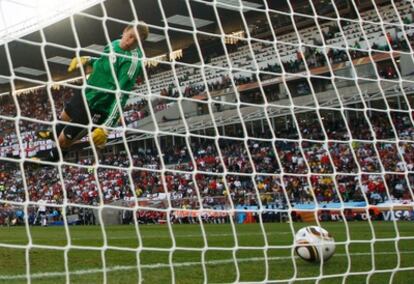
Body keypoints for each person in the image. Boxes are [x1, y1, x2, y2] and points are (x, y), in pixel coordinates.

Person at [36, 22, 149, 162]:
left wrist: (106, 128)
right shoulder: (114, 44)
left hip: (98, 106)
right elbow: (103, 62)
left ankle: (48, 162)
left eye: (136, 41)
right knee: (64, 116)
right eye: (130, 36)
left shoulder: (132, 62)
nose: (130, 42)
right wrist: (87, 60)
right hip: (87, 92)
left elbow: (121, 96)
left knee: (63, 141)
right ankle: (53, 134)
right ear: (125, 31)